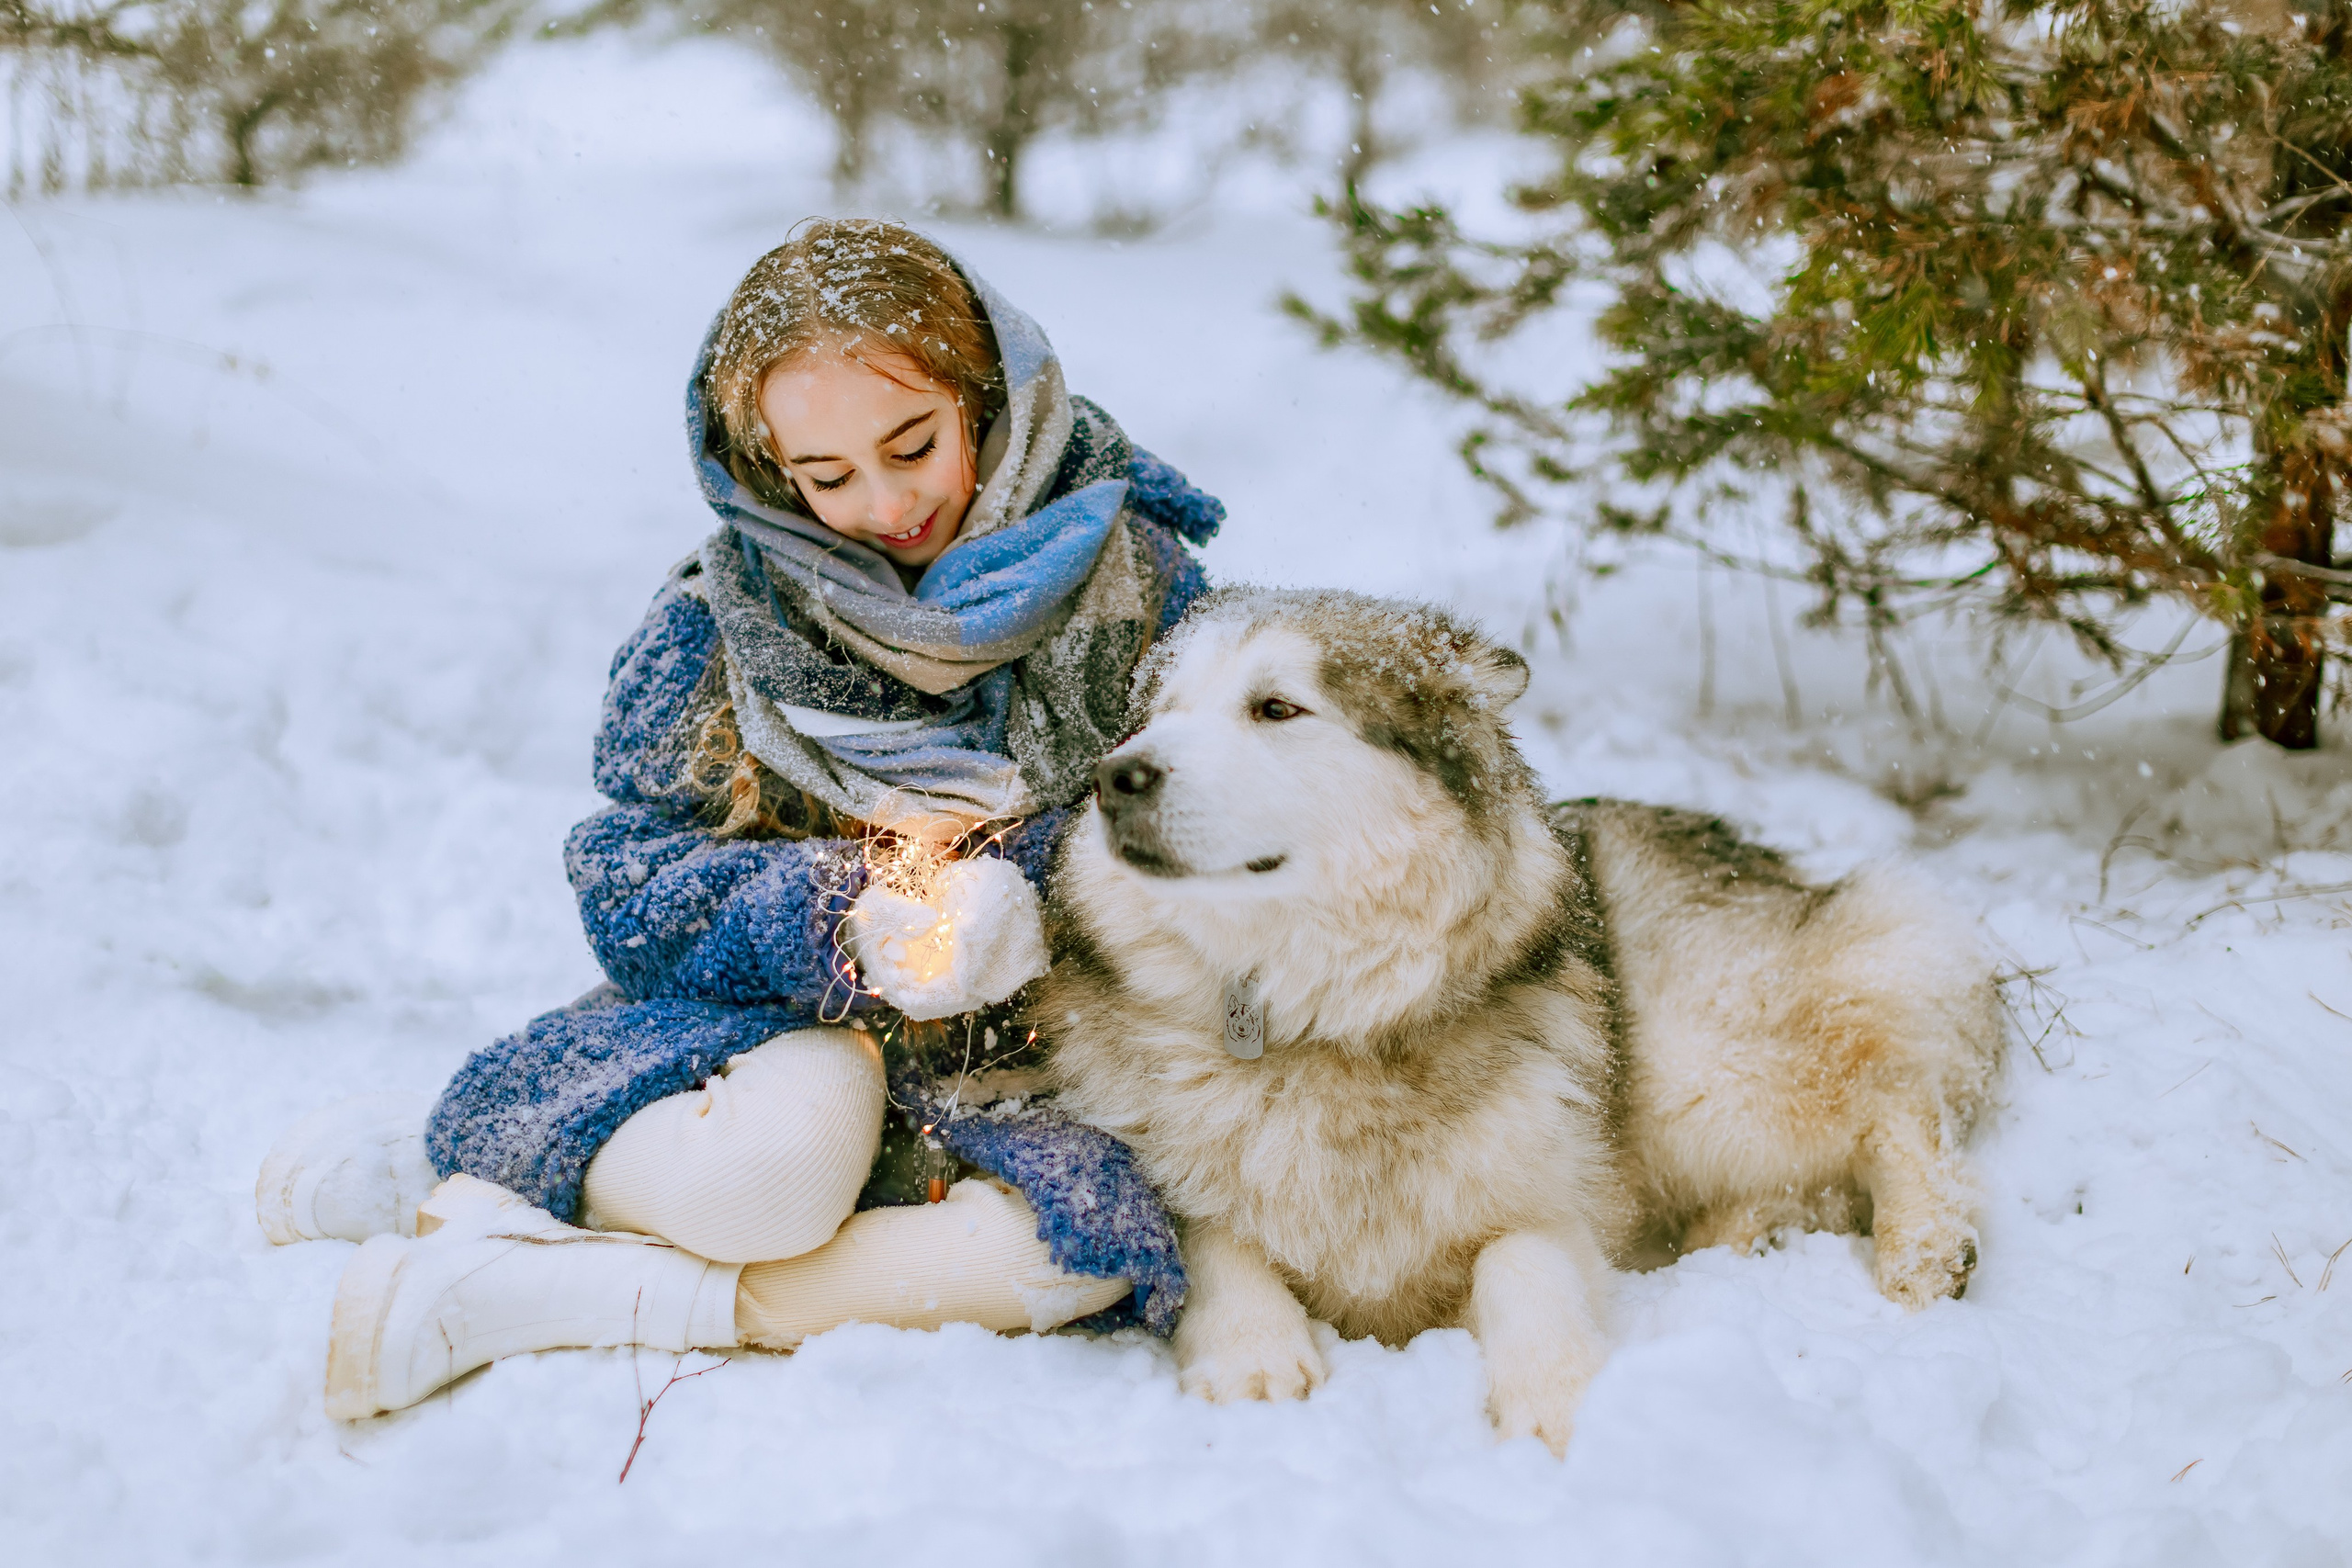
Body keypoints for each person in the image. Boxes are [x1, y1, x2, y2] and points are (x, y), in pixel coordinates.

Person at [254, 220, 1221, 1418]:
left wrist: (1043, 905)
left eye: (913, 445)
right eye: (826, 478)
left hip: (1053, 1052)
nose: (881, 503)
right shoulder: (723, 618)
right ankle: (500, 1156)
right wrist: (847, 920)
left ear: (989, 396)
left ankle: (532, 1277)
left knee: (1087, 1252)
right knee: (769, 1184)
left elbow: (1212, 814)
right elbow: (629, 878)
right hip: (783, 1020)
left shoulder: (1139, 579)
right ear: (769, 470)